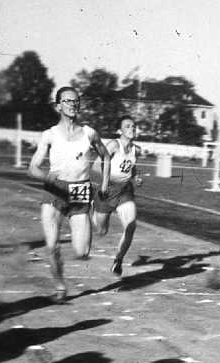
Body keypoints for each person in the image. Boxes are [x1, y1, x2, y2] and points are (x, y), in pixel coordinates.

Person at [28, 86, 110, 302]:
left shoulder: (89, 133)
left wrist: (104, 184)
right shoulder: (49, 135)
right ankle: (60, 285)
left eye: (76, 101)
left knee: (82, 252)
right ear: (58, 106)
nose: (73, 105)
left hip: (80, 190)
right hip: (55, 191)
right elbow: (33, 167)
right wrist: (47, 177)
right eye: (67, 101)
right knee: (52, 245)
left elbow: (106, 156)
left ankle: (91, 212)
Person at [92, 115, 143, 277]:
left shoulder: (137, 150)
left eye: (134, 126)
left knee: (130, 225)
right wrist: (107, 181)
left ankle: (118, 261)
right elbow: (95, 167)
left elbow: (132, 167)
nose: (132, 129)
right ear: (120, 131)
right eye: (128, 126)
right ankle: (91, 210)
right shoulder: (114, 145)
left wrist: (135, 177)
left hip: (125, 191)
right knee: (101, 231)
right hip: (107, 190)